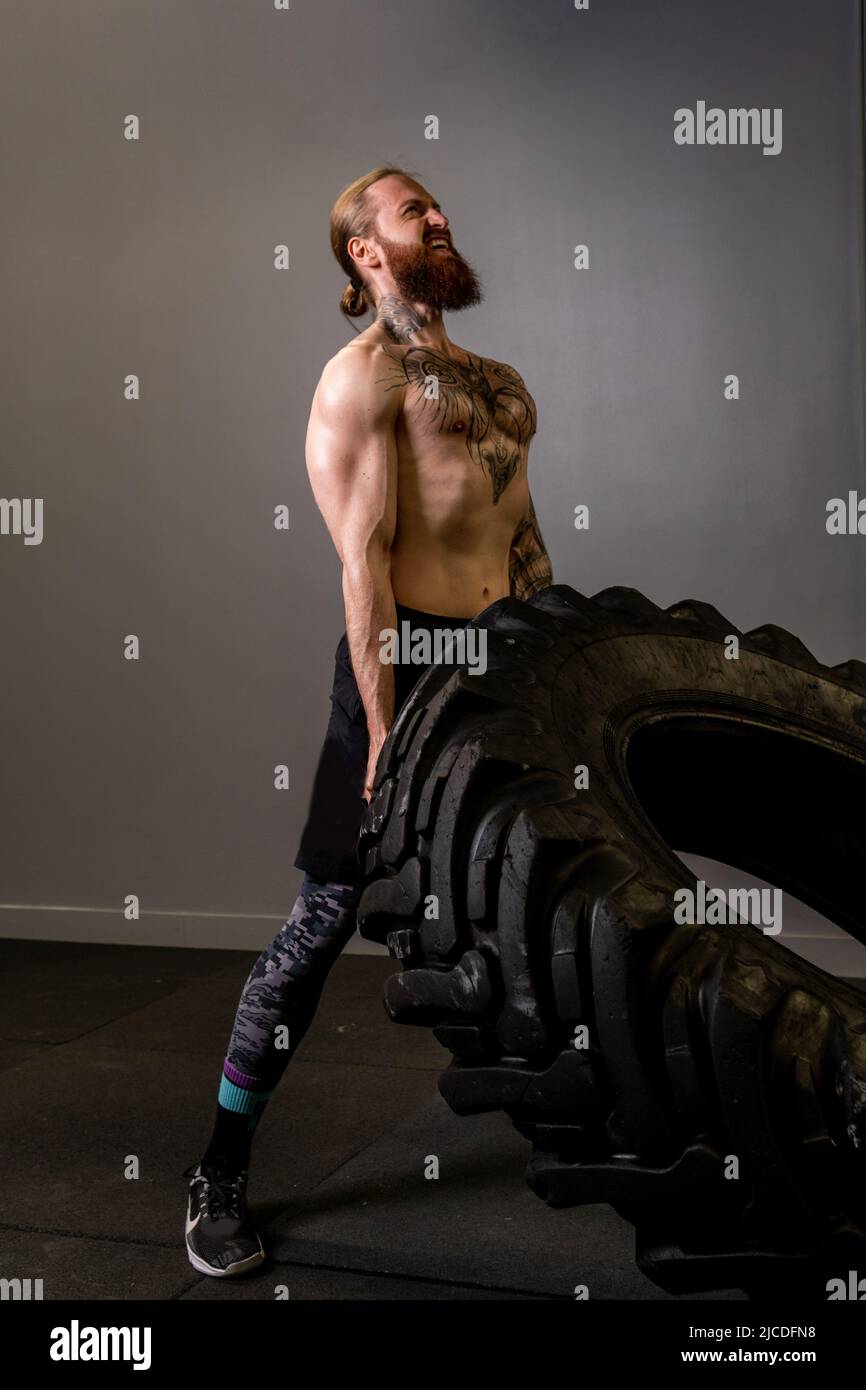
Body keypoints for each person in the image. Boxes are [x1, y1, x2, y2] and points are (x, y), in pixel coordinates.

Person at [183, 164, 553, 1276]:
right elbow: (363, 567)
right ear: (364, 251)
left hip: (499, 664)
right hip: (404, 663)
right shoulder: (360, 382)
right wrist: (385, 736)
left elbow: (525, 546)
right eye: (411, 211)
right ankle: (219, 1171)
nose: (437, 216)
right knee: (321, 924)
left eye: (439, 203)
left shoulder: (500, 385)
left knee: (548, 888)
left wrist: (552, 674)